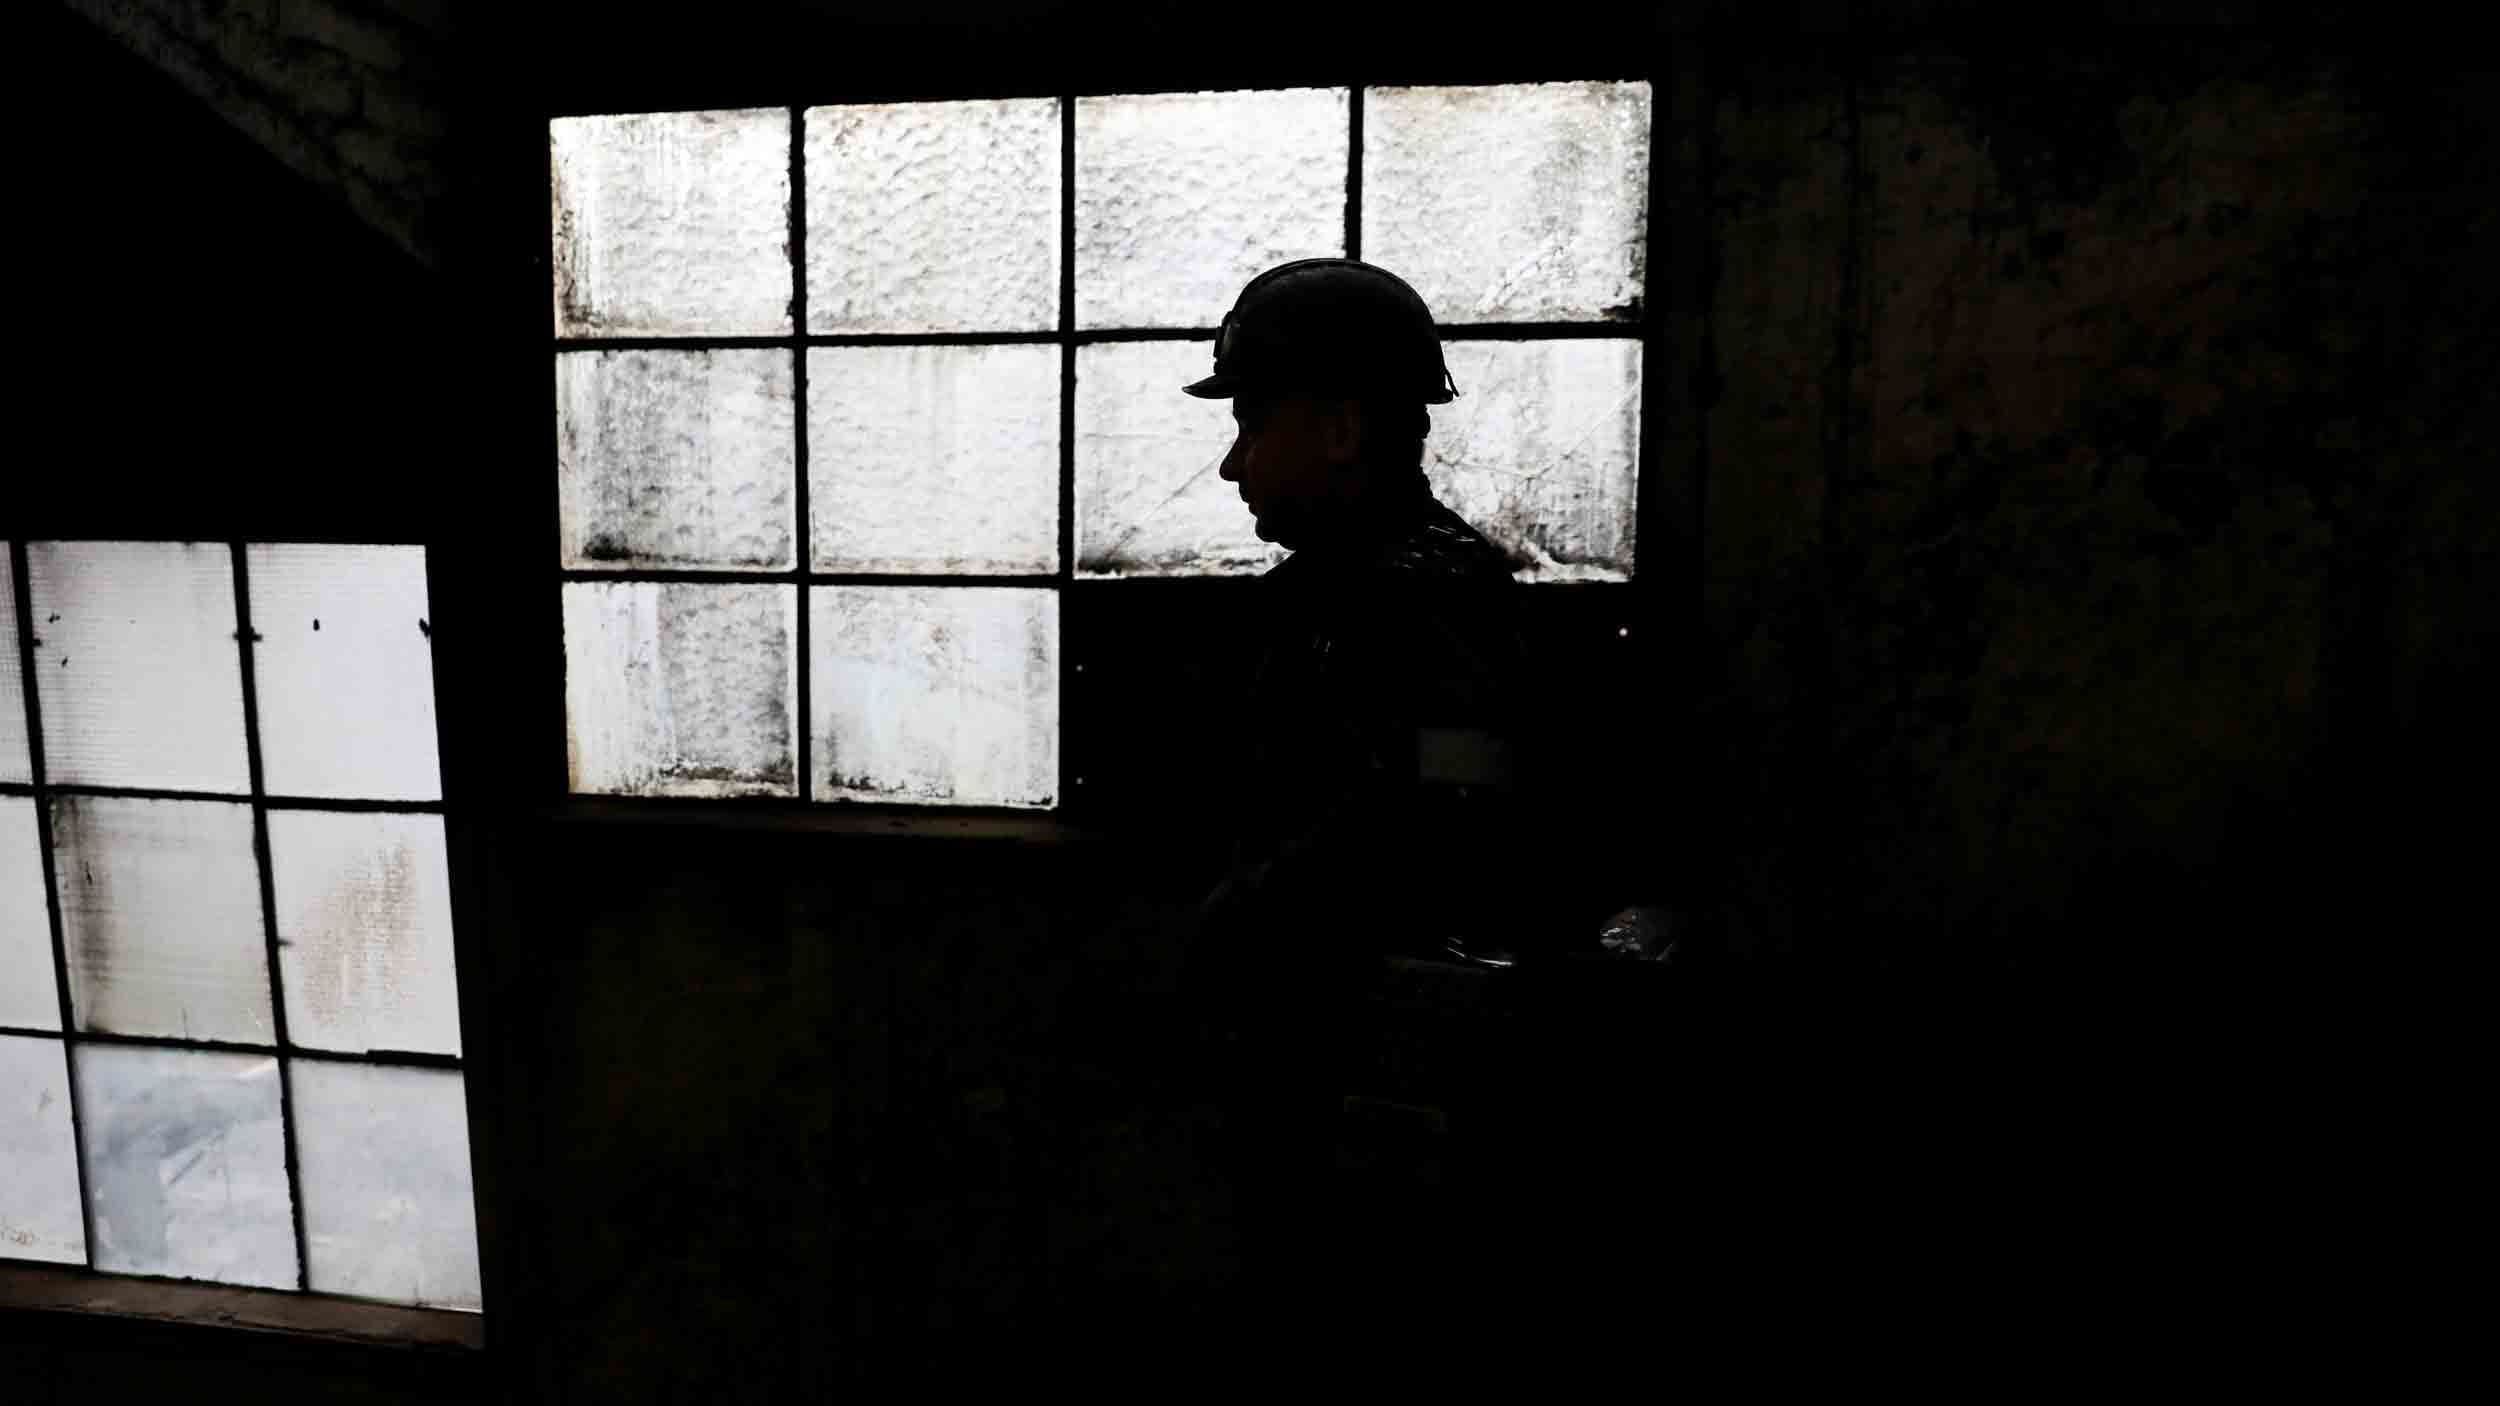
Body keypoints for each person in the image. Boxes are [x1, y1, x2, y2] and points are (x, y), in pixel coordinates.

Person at [1172, 257, 1539, 1361]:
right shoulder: (1339, 597)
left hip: (1386, 1080)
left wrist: (1240, 917)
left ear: (1337, 427)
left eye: (1250, 421)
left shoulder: (1424, 605)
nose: (1232, 462)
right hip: (1327, 1066)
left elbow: (1432, 822)